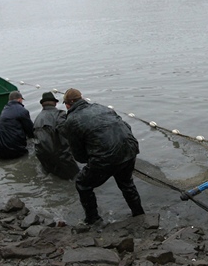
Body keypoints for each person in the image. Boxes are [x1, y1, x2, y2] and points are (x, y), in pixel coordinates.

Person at [61, 88, 144, 225]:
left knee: (82, 184)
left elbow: (79, 155)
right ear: (82, 99)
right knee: (127, 183)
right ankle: (139, 214)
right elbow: (126, 126)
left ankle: (93, 220)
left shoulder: (71, 121)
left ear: (67, 105)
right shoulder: (102, 107)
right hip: (130, 148)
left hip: (106, 157)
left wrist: (94, 160)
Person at [33, 92, 79, 180]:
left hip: (42, 156)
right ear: (55, 103)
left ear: (42, 104)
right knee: (77, 178)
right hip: (61, 155)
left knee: (53, 177)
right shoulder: (60, 114)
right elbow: (66, 132)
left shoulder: (37, 119)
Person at [0, 91, 34, 160]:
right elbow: (30, 130)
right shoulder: (22, 110)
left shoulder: (4, 109)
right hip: (15, 150)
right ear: (20, 99)